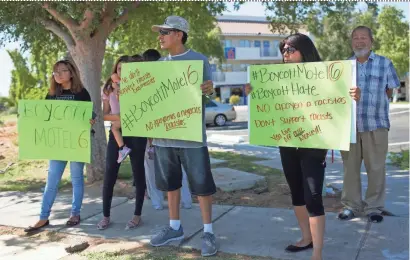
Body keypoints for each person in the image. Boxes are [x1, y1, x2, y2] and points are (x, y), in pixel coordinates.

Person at [245, 33, 360, 260]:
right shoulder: (276, 78)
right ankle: (306, 238)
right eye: (283, 51)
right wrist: (253, 91)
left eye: (290, 50)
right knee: (296, 192)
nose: (285, 54)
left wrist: (353, 95)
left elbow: (338, 101)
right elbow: (269, 102)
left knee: (313, 195)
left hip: (314, 142)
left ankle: (317, 252)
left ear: (304, 50)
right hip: (287, 140)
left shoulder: (325, 75)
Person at [148, 16, 217, 257]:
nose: (161, 36)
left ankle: (208, 232)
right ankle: (174, 227)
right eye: (161, 32)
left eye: (165, 32)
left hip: (192, 138)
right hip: (163, 138)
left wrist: (209, 90)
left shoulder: (199, 60)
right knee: (170, 185)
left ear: (179, 34)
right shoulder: (156, 65)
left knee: (202, 186)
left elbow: (208, 96)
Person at [338, 26, 400, 223]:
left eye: (363, 37)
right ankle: (351, 206)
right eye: (355, 38)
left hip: (376, 124)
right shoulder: (343, 66)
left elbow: (389, 91)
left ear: (371, 41)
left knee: (376, 168)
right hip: (349, 127)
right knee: (350, 169)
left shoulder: (384, 63)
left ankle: (374, 207)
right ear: (351, 42)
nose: (359, 41)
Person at [24, 59, 94, 232]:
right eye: (55, 72)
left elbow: (89, 116)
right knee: (52, 181)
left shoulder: (82, 93)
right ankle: (43, 217)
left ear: (71, 73)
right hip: (57, 144)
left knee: (77, 179)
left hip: (76, 142)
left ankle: (75, 213)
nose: (58, 74)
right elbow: (45, 118)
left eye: (61, 71)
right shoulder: (51, 94)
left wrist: (90, 121)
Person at [97, 55, 148, 230]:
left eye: (126, 69)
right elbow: (104, 114)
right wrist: (119, 118)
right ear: (115, 70)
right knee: (110, 173)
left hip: (137, 133)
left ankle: (137, 215)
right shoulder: (109, 89)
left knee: (138, 173)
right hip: (117, 133)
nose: (122, 72)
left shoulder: (141, 87)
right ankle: (105, 216)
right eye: (119, 69)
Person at [142, 48, 193, 210]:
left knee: (152, 170)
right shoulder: (171, 78)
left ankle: (158, 202)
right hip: (172, 132)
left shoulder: (143, 84)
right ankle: (186, 201)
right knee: (178, 169)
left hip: (154, 135)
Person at [109, 72, 131, 163]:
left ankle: (123, 148)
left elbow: (121, 99)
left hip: (128, 114)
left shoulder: (124, 84)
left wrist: (117, 87)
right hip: (124, 114)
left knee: (114, 128)